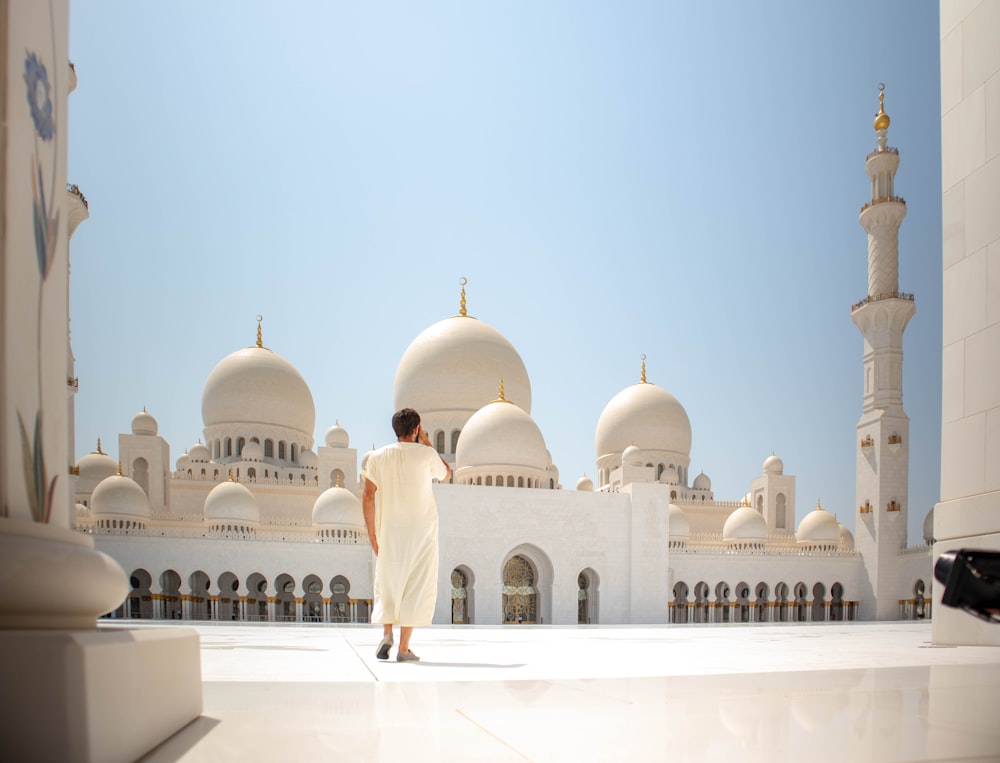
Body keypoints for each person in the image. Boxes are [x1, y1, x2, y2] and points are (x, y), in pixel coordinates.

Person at [362, 408, 451, 662]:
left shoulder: (377, 457)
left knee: (388, 582)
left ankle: (387, 633)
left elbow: (368, 495)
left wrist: (371, 534)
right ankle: (403, 649)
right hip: (421, 532)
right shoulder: (426, 455)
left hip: (389, 531)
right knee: (416, 584)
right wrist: (427, 443)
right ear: (416, 429)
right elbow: (447, 474)